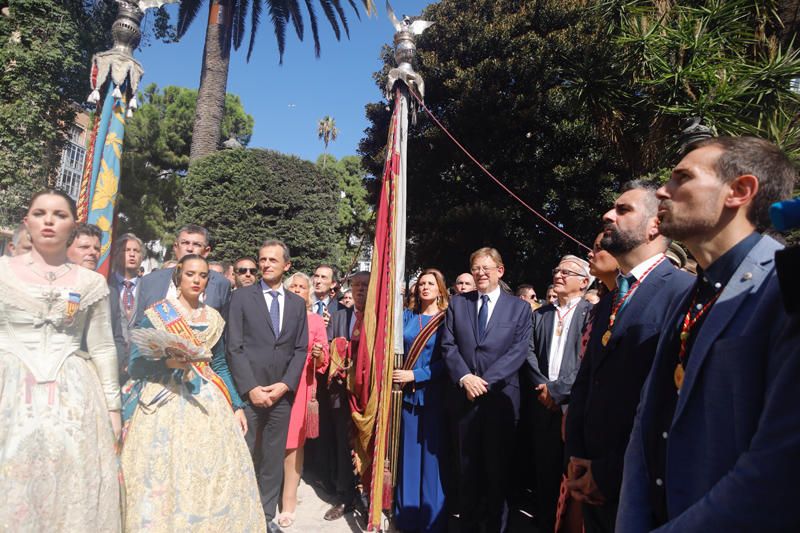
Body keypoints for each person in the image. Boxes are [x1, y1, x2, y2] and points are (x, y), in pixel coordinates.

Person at [617, 136, 799, 532]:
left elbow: (778, 467)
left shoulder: (781, 290)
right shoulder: (690, 295)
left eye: (683, 177)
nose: (663, 191)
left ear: (739, 191)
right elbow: (645, 430)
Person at [565, 181, 694, 533]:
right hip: (589, 475)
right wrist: (577, 455)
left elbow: (669, 404)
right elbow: (588, 380)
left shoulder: (681, 292)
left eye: (624, 210)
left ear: (655, 225)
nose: (608, 215)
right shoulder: (609, 298)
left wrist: (609, 472)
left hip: (637, 485)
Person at [0, 189, 121, 530]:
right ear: (27, 221)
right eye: (39, 213)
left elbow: (103, 346)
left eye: (59, 214)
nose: (49, 221)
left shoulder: (90, 281)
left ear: (73, 224)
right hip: (9, 387)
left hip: (73, 393)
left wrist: (113, 407)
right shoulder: (2, 271)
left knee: (70, 478)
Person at [121, 254, 265, 532]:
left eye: (202, 275)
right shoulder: (158, 314)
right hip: (165, 400)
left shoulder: (213, 318)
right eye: (190, 274)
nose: (196, 280)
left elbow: (220, 364)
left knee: (210, 471)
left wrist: (236, 405)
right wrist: (166, 362)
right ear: (178, 276)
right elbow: (136, 364)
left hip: (207, 400)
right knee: (167, 470)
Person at [441, 247, 532, 533]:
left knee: (497, 475)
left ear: (500, 271)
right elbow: (449, 344)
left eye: (486, 268)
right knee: (467, 474)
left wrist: (483, 382)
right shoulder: (458, 303)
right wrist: (465, 377)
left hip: (500, 403)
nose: (480, 273)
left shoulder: (518, 308)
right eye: (476, 268)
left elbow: (518, 352)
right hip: (464, 401)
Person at [226, 239, 309, 532]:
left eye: (273, 260)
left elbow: (301, 349)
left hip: (281, 396)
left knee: (273, 460)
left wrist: (285, 385)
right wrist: (250, 389)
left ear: (286, 265)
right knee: (244, 455)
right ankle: (238, 515)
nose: (265, 265)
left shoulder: (298, 304)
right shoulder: (241, 298)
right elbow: (233, 347)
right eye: (262, 260)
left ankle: (263, 518)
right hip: (249, 395)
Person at [523, 255, 594, 533]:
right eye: (557, 270)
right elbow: (527, 353)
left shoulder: (591, 314)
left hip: (572, 407)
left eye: (567, 272)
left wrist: (557, 391)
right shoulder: (540, 314)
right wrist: (542, 387)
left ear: (584, 282)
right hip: (542, 405)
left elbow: (586, 361)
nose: (559, 275)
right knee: (544, 474)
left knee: (571, 474)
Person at [393, 268, 450, 533]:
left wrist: (416, 374)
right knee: (408, 460)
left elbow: (449, 362)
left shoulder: (447, 319)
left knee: (432, 463)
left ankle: (432, 521)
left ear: (440, 289)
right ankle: (407, 518)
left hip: (434, 398)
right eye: (421, 283)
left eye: (431, 283)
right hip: (407, 401)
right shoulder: (406, 317)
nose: (425, 287)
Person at [278, 272, 330, 529]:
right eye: (293, 286)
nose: (298, 289)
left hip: (302, 388)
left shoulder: (316, 320)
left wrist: (319, 355)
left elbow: (325, 361)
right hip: (275, 384)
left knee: (293, 444)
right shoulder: (277, 315)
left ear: (309, 293)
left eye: (302, 287)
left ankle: (288, 501)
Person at [321, 271, 370, 521]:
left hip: (370, 394)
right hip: (341, 393)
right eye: (356, 285)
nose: (360, 289)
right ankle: (344, 497)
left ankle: (370, 497)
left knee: (369, 445)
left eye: (365, 285)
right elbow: (327, 353)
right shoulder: (339, 316)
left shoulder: (378, 319)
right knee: (343, 444)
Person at [136, 224, 231, 320]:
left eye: (197, 244)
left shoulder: (221, 284)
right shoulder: (150, 281)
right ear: (176, 247)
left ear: (206, 251)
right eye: (185, 243)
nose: (190, 249)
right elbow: (138, 325)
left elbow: (223, 328)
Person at [109, 233, 145, 381]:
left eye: (136, 251)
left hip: (139, 365)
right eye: (126, 250)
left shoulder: (149, 287)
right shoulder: (105, 284)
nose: (131, 254)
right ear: (116, 254)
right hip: (110, 363)